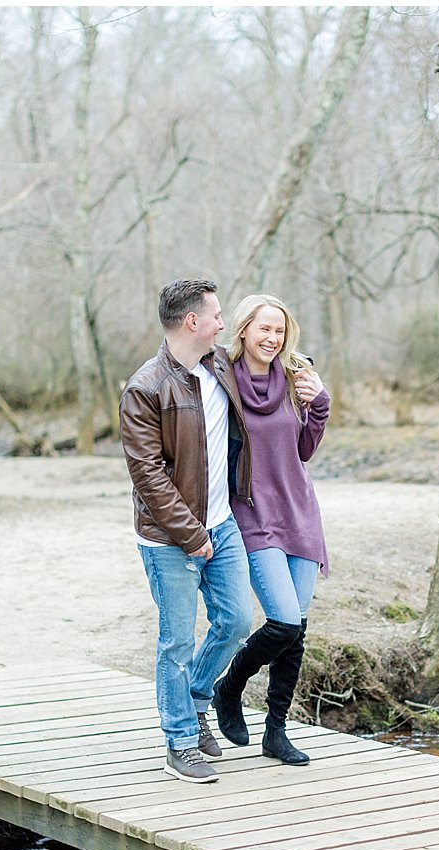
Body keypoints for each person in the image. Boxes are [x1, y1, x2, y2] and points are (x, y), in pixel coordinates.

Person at [120, 278, 254, 783]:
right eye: (216, 315)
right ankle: (179, 742)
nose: (224, 323)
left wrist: (309, 386)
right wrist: (192, 536)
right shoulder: (145, 387)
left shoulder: (220, 365)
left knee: (237, 621)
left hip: (223, 524)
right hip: (169, 540)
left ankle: (197, 700)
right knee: (176, 640)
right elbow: (147, 475)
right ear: (192, 321)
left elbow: (270, 363)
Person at [211, 294, 331, 766]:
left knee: (295, 630)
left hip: (300, 512)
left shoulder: (294, 378)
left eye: (279, 331)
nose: (272, 338)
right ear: (243, 330)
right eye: (264, 328)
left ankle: (275, 733)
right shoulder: (222, 380)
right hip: (254, 517)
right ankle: (229, 687)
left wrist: (318, 404)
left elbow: (304, 448)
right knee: (282, 620)